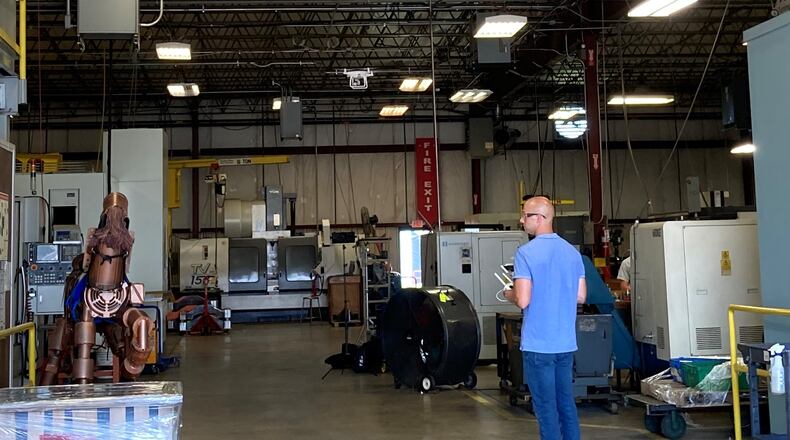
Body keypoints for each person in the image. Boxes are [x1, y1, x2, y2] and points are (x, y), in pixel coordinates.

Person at [504, 196, 586, 440]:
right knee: (566, 405)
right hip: (565, 343)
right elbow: (581, 296)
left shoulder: (525, 253)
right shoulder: (572, 253)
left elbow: (523, 300)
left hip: (539, 345)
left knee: (546, 410)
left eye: (525, 215)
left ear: (540, 218)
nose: (521, 220)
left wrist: (509, 293)